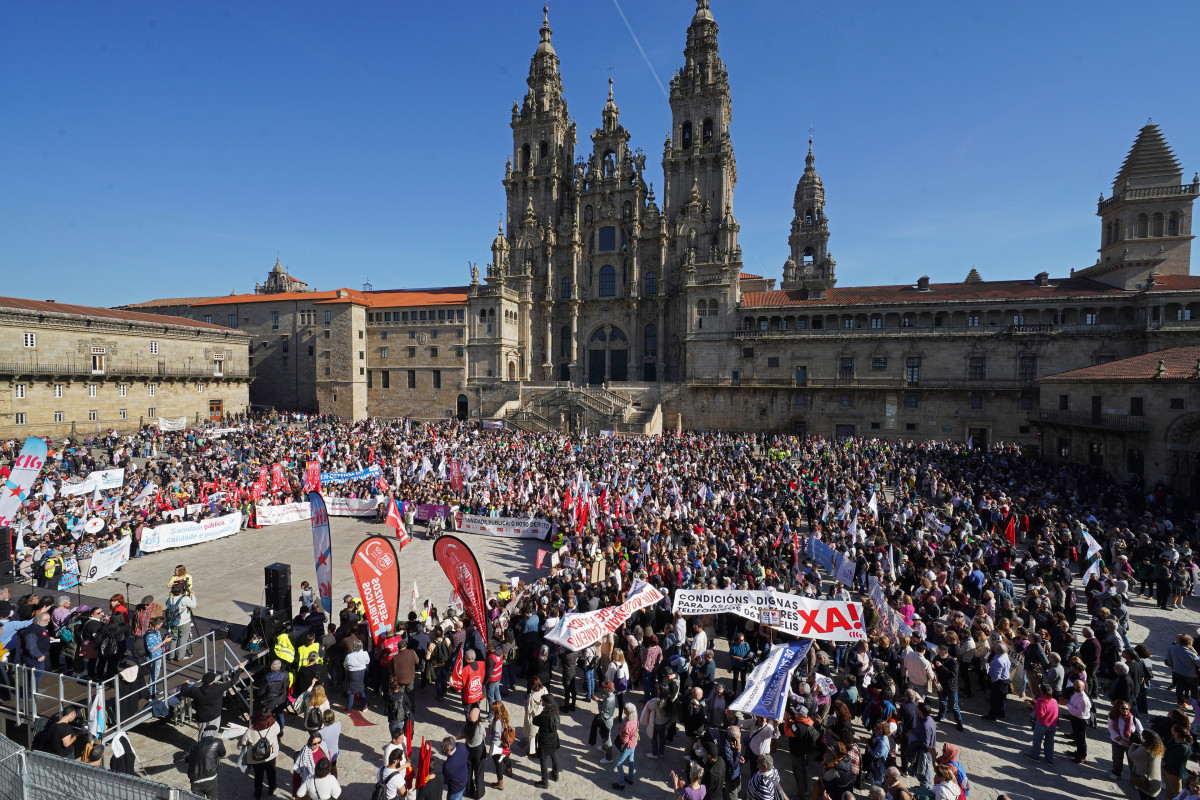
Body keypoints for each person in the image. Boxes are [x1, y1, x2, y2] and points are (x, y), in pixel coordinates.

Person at [239, 707, 281, 800]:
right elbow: (278, 731)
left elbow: (243, 742)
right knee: (271, 772)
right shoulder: (275, 725)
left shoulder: (251, 729)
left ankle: (258, 793)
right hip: (271, 754)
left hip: (257, 757)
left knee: (258, 776)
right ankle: (272, 788)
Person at [185, 726, 225, 799]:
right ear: (214, 734)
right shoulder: (217, 742)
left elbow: (180, 758)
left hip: (195, 780)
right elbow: (222, 754)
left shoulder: (193, 746)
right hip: (210, 778)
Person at [1024, 682, 1059, 765]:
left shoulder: (1040, 700)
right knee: (1049, 743)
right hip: (1052, 725)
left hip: (1042, 724)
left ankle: (1034, 756)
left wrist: (1032, 706)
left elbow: (1041, 714)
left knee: (1037, 740)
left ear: (1042, 692)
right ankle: (1049, 760)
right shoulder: (1054, 701)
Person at [1110, 700, 1144, 780]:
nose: (1125, 710)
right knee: (1117, 758)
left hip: (1131, 744)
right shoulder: (1113, 717)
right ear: (1118, 709)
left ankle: (1134, 778)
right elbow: (1111, 729)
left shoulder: (1134, 720)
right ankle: (1117, 773)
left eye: (1127, 709)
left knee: (1133, 761)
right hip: (1117, 742)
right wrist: (1121, 740)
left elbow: (1141, 731)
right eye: (1122, 708)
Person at [533, 695, 561, 789]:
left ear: (546, 703)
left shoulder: (544, 716)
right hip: (553, 738)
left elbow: (534, 721)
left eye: (543, 701)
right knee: (554, 754)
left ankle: (544, 782)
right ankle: (556, 773)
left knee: (543, 760)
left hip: (544, 740)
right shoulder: (555, 711)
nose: (542, 702)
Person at [459, 706, 487, 800]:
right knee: (479, 773)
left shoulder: (466, 727)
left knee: (469, 772)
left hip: (468, 751)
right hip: (479, 751)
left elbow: (458, 737)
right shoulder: (480, 727)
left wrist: (466, 736)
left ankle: (469, 791)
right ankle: (480, 793)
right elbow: (484, 735)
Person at [1129, 730, 1164, 800]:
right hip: (1155, 783)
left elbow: (1131, 755)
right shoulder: (1158, 748)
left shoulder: (1145, 750)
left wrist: (1133, 744)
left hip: (1145, 783)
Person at [293, 732, 329, 799]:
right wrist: (296, 794)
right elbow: (296, 776)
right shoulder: (304, 755)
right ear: (310, 743)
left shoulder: (323, 748)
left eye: (319, 742)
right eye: (314, 744)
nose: (317, 745)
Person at [612, 701, 639, 791]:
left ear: (628, 712)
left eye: (625, 709)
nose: (624, 710)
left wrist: (621, 732)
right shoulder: (635, 719)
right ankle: (630, 778)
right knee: (631, 759)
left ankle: (621, 783)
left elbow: (625, 739)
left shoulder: (627, 724)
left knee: (619, 762)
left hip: (627, 746)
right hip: (634, 742)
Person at [1066, 678, 1093, 764]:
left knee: (1081, 740)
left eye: (1078, 686)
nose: (1075, 688)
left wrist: (1067, 705)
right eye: (1074, 686)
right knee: (1077, 738)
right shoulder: (1076, 694)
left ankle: (1082, 757)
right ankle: (1078, 752)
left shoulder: (1083, 699)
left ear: (1084, 688)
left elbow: (1080, 713)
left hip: (1081, 721)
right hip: (1075, 719)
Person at [1163, 724, 1193, 798]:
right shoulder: (1173, 739)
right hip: (1167, 769)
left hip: (1175, 772)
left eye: (1172, 729)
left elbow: (1171, 758)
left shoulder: (1183, 747)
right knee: (1169, 790)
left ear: (1176, 733)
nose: (1171, 730)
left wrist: (1164, 750)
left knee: (1177, 793)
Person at [487, 700, 512, 789]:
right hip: (503, 743)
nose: (491, 710)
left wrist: (490, 732)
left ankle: (500, 783)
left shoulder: (497, 722)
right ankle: (509, 768)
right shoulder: (504, 716)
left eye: (493, 709)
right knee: (505, 755)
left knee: (498, 764)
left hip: (496, 745)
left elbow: (496, 735)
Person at [983, 642, 1011, 722]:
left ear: (997, 650)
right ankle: (1001, 713)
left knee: (994, 699)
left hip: (998, 682)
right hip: (1005, 680)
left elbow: (996, 675)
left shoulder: (998, 660)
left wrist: (992, 681)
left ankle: (992, 716)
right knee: (1002, 698)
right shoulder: (1005, 656)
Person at [344, 639, 369, 712]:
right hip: (362, 673)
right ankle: (364, 707)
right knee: (361, 688)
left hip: (352, 673)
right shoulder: (365, 653)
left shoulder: (349, 656)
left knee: (351, 690)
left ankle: (349, 709)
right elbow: (368, 661)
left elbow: (345, 665)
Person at [442, 736, 469, 800]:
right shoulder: (460, 746)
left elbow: (445, 780)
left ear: (448, 750)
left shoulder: (447, 765)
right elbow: (467, 753)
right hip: (464, 780)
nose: (442, 749)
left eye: (443, 748)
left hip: (455, 789)